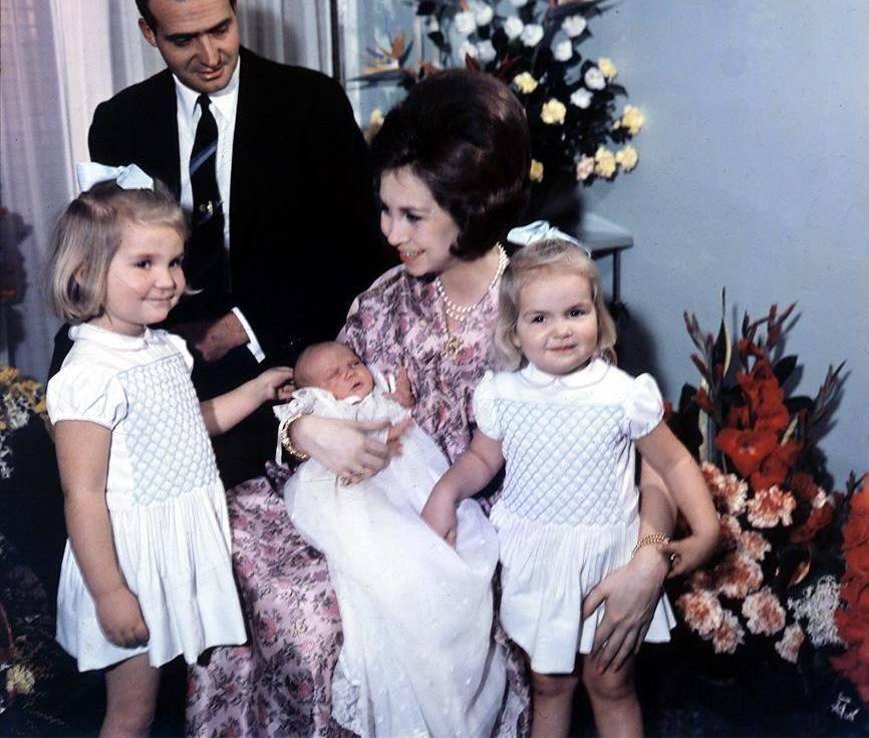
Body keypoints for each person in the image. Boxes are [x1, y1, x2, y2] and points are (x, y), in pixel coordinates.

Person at [187, 69, 675, 737]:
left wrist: (650, 553)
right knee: (233, 543)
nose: (391, 232)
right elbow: (321, 395)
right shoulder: (383, 300)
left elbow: (650, 459)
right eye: (384, 210)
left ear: (471, 206)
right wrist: (303, 429)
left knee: (324, 619)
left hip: (497, 539)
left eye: (412, 216)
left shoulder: (547, 306)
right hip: (378, 504)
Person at [51, 0, 386, 489]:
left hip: (274, 339)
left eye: (220, 28)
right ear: (149, 32)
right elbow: (106, 256)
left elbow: (354, 257)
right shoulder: (119, 122)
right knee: (76, 424)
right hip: (152, 336)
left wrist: (236, 329)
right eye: (183, 39)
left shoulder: (311, 104)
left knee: (200, 466)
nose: (209, 56)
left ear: (234, 7)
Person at [422, 232, 720, 738]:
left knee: (611, 684)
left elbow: (672, 465)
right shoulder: (502, 394)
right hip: (535, 560)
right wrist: (445, 492)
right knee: (550, 687)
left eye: (575, 313)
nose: (560, 330)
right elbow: (480, 458)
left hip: (608, 559)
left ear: (597, 318)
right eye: (540, 318)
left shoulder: (623, 395)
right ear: (514, 332)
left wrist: (707, 530)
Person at [44, 168, 293, 736]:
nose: (168, 280)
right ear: (85, 274)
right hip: (129, 562)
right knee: (132, 712)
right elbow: (81, 495)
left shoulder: (165, 348)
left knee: (167, 703)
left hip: (176, 546)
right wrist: (110, 593)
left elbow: (189, 427)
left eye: (175, 261)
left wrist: (256, 390)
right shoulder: (88, 374)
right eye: (143, 264)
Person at [278, 342, 507, 737]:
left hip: (412, 481)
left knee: (457, 548)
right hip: (359, 487)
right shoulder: (320, 411)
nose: (351, 373)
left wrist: (400, 403)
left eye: (353, 363)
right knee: (385, 549)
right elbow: (298, 431)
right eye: (335, 375)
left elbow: (408, 426)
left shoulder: (380, 394)